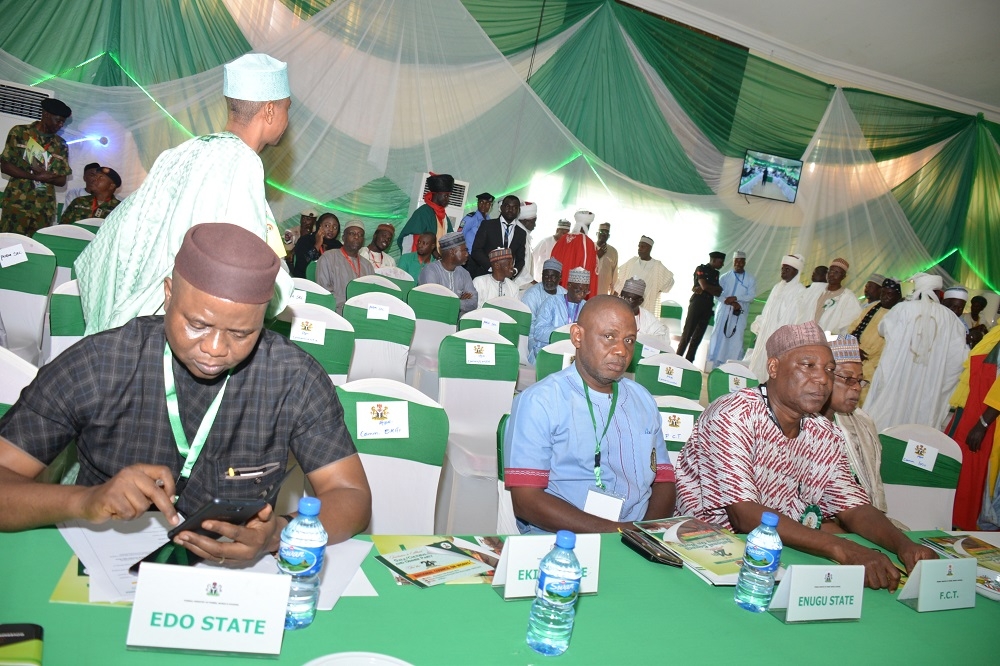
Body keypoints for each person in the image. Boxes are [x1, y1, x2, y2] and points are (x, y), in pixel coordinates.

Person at [0, 223, 371, 560]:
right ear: (168, 293)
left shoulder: (293, 378)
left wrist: (278, 533)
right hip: (101, 560)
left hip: (231, 579)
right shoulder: (100, 363)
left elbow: (351, 496)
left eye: (242, 333)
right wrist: (85, 500)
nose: (214, 348)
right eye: (197, 323)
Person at [675, 321, 936, 590]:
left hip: (790, 549)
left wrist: (904, 544)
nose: (823, 379)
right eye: (808, 365)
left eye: (829, 370)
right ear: (774, 367)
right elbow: (745, 515)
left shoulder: (824, 433)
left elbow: (852, 506)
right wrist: (842, 549)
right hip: (706, 553)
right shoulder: (734, 415)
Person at [74, 53, 292, 335]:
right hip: (181, 326)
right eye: (288, 108)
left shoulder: (181, 152)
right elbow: (243, 270)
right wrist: (282, 289)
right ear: (271, 110)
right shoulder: (243, 162)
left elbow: (120, 233)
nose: (288, 119)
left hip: (135, 317)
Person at [504, 295, 675, 534]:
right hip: (562, 539)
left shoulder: (643, 400)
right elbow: (525, 500)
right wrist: (620, 532)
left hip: (638, 536)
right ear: (577, 336)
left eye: (629, 340)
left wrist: (647, 533)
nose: (621, 350)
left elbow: (664, 480)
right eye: (609, 337)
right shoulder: (541, 401)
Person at [864, 273, 968, 431]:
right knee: (920, 423)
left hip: (898, 377)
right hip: (930, 383)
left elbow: (883, 329)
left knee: (886, 416)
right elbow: (959, 357)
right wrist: (940, 384)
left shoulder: (902, 309)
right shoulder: (950, 318)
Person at [821, 335, 899, 526]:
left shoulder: (863, 423)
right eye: (848, 379)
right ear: (824, 377)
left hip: (862, 520)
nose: (857, 388)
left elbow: (873, 489)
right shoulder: (798, 424)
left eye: (860, 381)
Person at [947, 324, 1000, 530]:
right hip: (970, 411)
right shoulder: (995, 332)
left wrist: (983, 423)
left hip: (987, 421)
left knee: (978, 478)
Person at [0, 97, 72, 236]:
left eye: (63, 122)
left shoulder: (61, 145)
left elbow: (62, 181)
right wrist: (34, 176)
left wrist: (46, 178)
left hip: (44, 208)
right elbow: (5, 166)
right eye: (58, 120)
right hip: (17, 205)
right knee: (9, 245)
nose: (61, 125)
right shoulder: (20, 133)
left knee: (36, 248)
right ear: (46, 115)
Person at [748, 253, 806, 382]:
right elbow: (766, 311)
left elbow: (796, 320)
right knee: (758, 366)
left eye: (787, 269)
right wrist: (759, 330)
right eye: (782, 268)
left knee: (773, 371)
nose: (783, 272)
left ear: (796, 272)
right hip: (765, 335)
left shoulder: (800, 292)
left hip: (781, 341)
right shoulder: (776, 288)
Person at [847, 277, 902, 405]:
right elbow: (852, 328)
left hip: (876, 365)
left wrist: (868, 357)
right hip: (855, 357)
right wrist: (854, 348)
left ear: (898, 296)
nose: (885, 297)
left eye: (890, 294)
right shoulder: (871, 308)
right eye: (883, 293)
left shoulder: (900, 314)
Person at [706, 250, 757, 371]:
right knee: (720, 337)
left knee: (736, 339)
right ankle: (716, 367)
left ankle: (731, 368)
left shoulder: (750, 279)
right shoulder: (724, 277)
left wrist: (737, 299)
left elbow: (751, 296)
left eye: (741, 261)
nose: (738, 263)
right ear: (733, 261)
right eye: (736, 261)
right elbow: (717, 294)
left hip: (739, 314)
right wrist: (727, 301)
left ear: (744, 262)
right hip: (723, 311)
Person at [529, 267, 590, 363]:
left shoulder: (587, 307)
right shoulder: (551, 302)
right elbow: (538, 332)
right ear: (569, 285)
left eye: (585, 292)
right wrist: (566, 331)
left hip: (574, 356)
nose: (581, 295)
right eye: (578, 290)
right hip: (549, 351)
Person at [676, 251, 724, 363]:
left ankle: (688, 362)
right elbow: (704, 286)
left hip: (707, 305)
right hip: (697, 303)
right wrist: (709, 288)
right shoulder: (701, 268)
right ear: (713, 260)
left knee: (698, 337)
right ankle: (677, 360)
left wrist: (707, 288)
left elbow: (718, 292)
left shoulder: (716, 274)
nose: (722, 265)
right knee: (687, 333)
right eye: (720, 262)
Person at [315, 220, 374, 314]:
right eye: (352, 233)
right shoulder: (328, 257)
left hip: (361, 314)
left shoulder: (367, 266)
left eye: (360, 235)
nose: (356, 237)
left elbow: (371, 294)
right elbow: (324, 292)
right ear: (343, 237)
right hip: (334, 312)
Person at [418, 231, 477, 320]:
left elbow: (473, 303)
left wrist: (450, 302)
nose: (467, 254)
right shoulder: (430, 271)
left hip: (454, 323)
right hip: (429, 321)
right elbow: (434, 302)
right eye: (464, 250)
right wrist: (459, 300)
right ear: (452, 252)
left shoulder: (464, 273)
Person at [469, 195, 526, 279]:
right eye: (507, 206)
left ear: (518, 211)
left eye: (514, 207)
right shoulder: (487, 225)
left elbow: (520, 259)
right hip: (484, 275)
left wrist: (514, 271)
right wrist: (492, 268)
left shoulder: (521, 233)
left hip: (506, 280)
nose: (510, 210)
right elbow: (476, 250)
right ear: (501, 208)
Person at [800, 257, 862, 335]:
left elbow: (848, 326)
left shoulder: (848, 297)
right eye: (830, 271)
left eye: (836, 272)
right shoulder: (818, 291)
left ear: (844, 276)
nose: (832, 274)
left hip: (827, 343)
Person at [614, 235, 674, 311]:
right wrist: (613, 299)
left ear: (649, 248)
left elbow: (669, 282)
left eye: (643, 247)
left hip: (645, 306)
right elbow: (620, 282)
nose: (640, 249)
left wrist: (655, 290)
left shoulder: (657, 266)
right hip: (626, 304)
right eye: (639, 246)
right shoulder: (632, 262)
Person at [397, 173, 454, 252]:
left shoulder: (444, 216)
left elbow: (449, 238)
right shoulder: (423, 212)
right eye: (446, 196)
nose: (448, 200)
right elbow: (414, 241)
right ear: (436, 194)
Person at [551, 211, 599, 299]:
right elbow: (587, 271)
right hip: (575, 293)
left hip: (557, 290)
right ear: (587, 226)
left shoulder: (562, 239)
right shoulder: (587, 243)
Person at [292, 212, 341, 279]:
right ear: (319, 226)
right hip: (306, 281)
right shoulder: (306, 240)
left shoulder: (338, 246)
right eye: (327, 226)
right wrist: (317, 244)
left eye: (335, 227)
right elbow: (301, 265)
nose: (331, 229)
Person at [531, 218, 570, 282]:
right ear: (557, 230)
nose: (564, 236)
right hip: (541, 278)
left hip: (556, 279)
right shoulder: (546, 241)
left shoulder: (566, 244)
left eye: (567, 234)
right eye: (563, 233)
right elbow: (533, 256)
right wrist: (532, 276)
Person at [513, 201, 537, 288]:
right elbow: (517, 262)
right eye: (533, 221)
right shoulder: (517, 235)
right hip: (518, 283)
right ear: (525, 221)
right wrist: (532, 281)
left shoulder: (525, 234)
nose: (535, 225)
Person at [595, 222, 618, 296]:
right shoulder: (589, 247)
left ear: (609, 236)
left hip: (604, 290)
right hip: (590, 287)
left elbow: (614, 273)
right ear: (597, 233)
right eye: (601, 232)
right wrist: (596, 256)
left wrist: (613, 290)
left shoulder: (613, 251)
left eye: (606, 233)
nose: (603, 234)